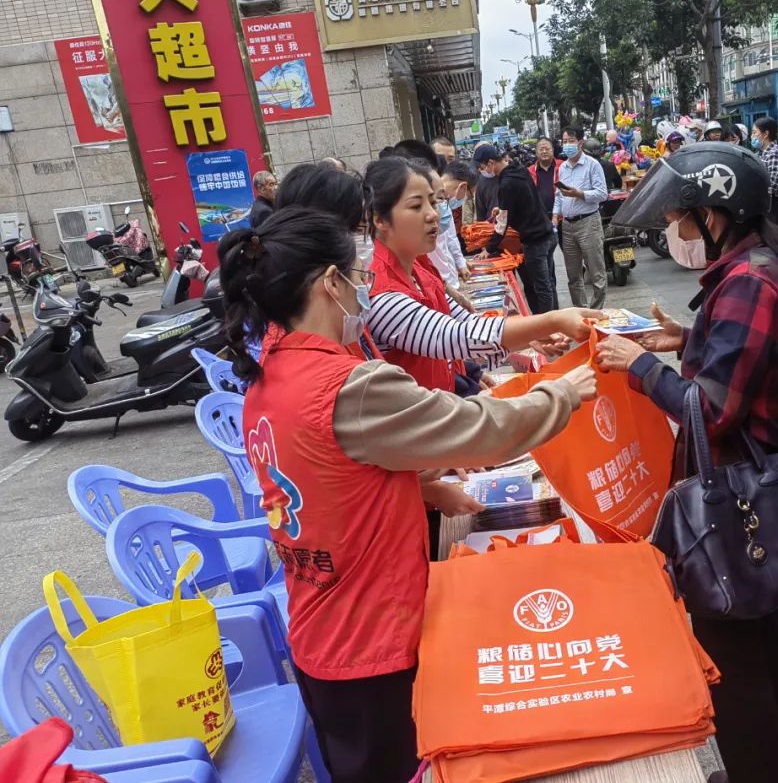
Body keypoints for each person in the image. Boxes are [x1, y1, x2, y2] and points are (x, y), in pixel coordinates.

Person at [219, 206, 597, 783]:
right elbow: (481, 429)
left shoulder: (270, 377)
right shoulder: (350, 385)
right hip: (373, 643)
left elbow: (317, 479)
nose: (363, 289)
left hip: (321, 632)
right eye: (355, 277)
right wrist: (562, 393)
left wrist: (424, 488)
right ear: (330, 283)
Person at [594, 143, 778, 783]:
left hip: (735, 503)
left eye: (681, 217)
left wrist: (640, 365)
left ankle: (762, 772)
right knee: (761, 649)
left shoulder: (750, 284)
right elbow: (741, 366)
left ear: (716, 215)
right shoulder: (753, 270)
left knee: (735, 665)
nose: (674, 231)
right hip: (752, 488)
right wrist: (686, 337)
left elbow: (710, 410)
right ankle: (772, 771)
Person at [365, 155, 597, 390]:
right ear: (380, 220)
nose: (433, 214)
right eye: (416, 206)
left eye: (434, 203)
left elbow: (467, 320)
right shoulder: (381, 292)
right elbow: (456, 336)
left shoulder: (417, 269)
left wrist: (529, 335)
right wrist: (552, 320)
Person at [473, 143, 557, 313]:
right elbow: (524, 202)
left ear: (490, 163)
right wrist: (503, 210)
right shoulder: (520, 171)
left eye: (482, 167)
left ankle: (550, 326)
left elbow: (502, 225)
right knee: (548, 283)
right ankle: (555, 320)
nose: (483, 171)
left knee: (541, 287)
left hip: (535, 240)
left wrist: (489, 248)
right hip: (547, 233)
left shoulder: (506, 184)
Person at [553, 126, 609, 310]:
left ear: (580, 143)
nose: (567, 145)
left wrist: (580, 194)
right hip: (567, 225)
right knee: (573, 275)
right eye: (564, 141)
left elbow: (602, 194)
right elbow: (559, 196)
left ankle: (596, 311)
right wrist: (555, 214)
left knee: (596, 273)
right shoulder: (563, 168)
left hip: (588, 223)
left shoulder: (592, 165)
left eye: (570, 141)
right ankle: (581, 312)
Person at [751, 116, 778, 231]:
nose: (752, 136)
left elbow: (774, 183)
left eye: (754, 132)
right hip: (766, 206)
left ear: (765, 134)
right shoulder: (760, 154)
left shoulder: (775, 153)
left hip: (775, 207)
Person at [440, 158, 478, 232]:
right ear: (462, 187)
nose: (464, 201)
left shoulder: (446, 206)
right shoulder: (431, 204)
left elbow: (451, 238)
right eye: (469, 196)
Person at [528, 136, 561, 219]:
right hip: (540, 219)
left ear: (553, 150)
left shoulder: (562, 166)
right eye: (541, 149)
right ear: (536, 152)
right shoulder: (529, 171)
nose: (544, 151)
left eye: (547, 149)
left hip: (562, 217)